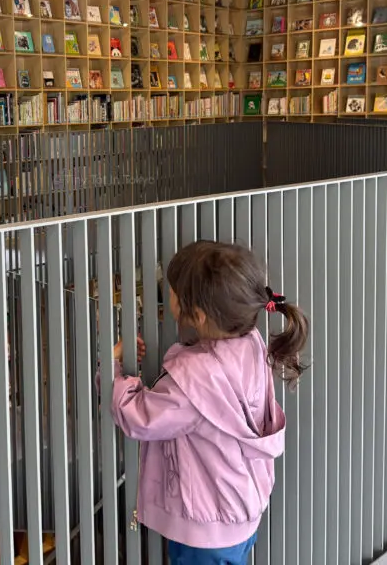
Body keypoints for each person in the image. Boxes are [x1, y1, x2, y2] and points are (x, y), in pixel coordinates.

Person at [109, 240, 309, 565]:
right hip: (242, 510)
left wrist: (113, 370)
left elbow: (139, 418)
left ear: (197, 315)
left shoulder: (193, 379)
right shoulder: (252, 344)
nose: (166, 292)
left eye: (170, 290)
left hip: (205, 528)